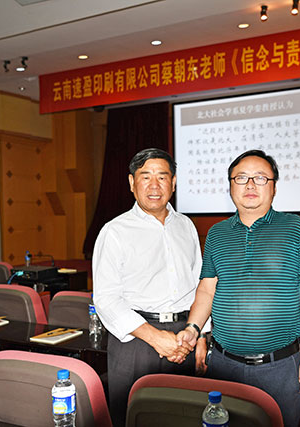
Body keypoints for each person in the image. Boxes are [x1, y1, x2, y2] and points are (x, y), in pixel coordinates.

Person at [177, 149, 300, 427]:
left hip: (280, 368)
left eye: (260, 178)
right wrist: (193, 328)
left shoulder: (298, 229)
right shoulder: (217, 233)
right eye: (241, 178)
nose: (250, 184)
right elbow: (207, 290)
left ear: (274, 187)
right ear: (230, 186)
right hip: (223, 365)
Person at [92, 148, 206, 427]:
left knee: (184, 418)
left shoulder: (187, 226)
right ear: (132, 183)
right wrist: (156, 338)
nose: (154, 186)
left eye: (162, 177)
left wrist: (202, 336)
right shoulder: (114, 231)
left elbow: (199, 285)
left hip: (185, 338)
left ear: (173, 183)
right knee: (135, 418)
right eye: (146, 177)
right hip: (136, 341)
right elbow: (106, 299)